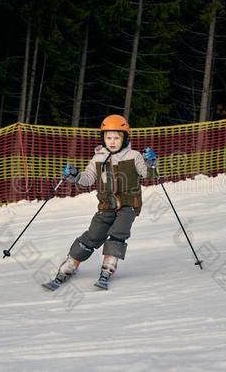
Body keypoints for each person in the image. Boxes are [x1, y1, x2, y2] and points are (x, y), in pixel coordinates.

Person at [49, 114, 158, 289]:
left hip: (129, 204)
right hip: (106, 206)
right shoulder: (98, 158)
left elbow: (148, 174)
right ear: (103, 138)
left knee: (118, 232)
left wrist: (150, 163)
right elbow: (88, 179)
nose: (112, 141)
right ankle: (70, 265)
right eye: (108, 137)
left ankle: (108, 267)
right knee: (93, 235)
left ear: (124, 138)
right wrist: (75, 175)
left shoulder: (134, 156)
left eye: (116, 137)